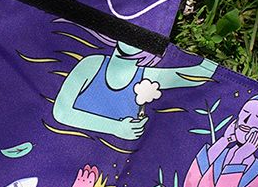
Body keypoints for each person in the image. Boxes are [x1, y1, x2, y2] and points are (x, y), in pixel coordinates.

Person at [53, 39, 216, 140]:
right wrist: (115, 127)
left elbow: (196, 75)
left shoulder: (147, 77)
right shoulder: (93, 64)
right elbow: (61, 112)